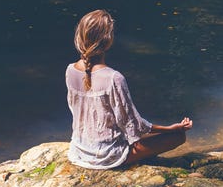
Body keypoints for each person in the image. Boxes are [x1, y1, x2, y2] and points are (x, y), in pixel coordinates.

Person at [66, 9, 192, 169]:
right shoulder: (114, 78)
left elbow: (75, 110)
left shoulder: (70, 70)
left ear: (79, 37)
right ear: (108, 40)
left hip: (79, 150)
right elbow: (133, 125)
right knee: (177, 137)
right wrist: (169, 128)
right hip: (108, 156)